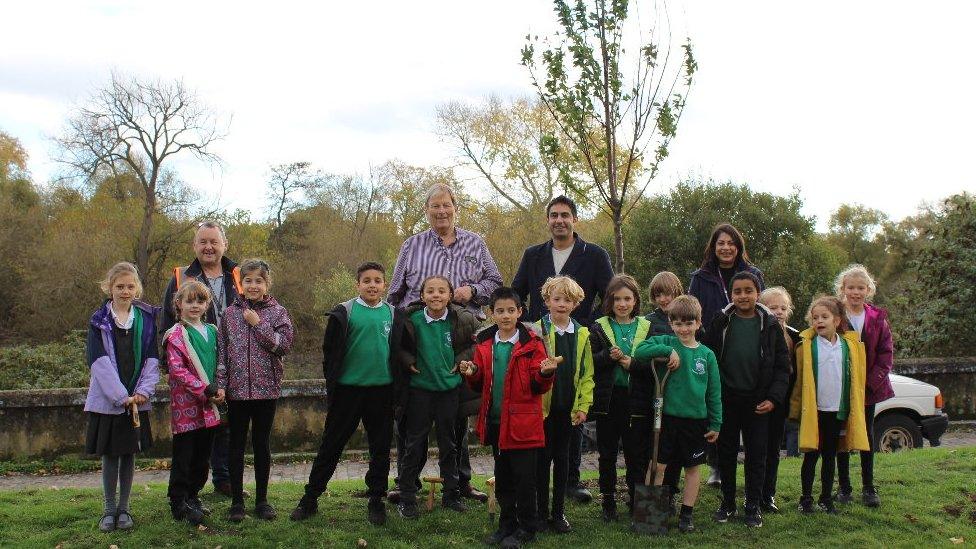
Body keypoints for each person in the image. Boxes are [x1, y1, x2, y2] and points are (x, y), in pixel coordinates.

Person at [387, 183, 502, 505]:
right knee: (411, 415)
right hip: (419, 334)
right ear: (427, 211)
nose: (441, 211)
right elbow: (395, 293)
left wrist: (472, 292)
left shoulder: (475, 243)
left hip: (461, 334)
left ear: (456, 208)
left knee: (456, 416)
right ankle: (405, 482)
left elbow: (495, 282)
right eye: (435, 206)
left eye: (446, 206)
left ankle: (460, 483)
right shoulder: (412, 245)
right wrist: (400, 337)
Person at [512, 195, 614, 504]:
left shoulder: (594, 254)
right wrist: (526, 325)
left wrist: (587, 324)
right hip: (540, 340)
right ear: (547, 220)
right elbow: (518, 292)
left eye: (565, 215)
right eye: (554, 215)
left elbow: (609, 295)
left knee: (572, 408)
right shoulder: (533, 255)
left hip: (577, 338)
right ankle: (538, 481)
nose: (559, 220)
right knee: (544, 408)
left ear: (575, 219)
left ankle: (571, 480)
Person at [290, 262, 407, 526]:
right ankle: (310, 499)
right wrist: (333, 387)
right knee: (331, 446)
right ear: (358, 284)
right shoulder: (344, 312)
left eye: (378, 280)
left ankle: (376, 500)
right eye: (367, 280)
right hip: (348, 392)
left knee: (379, 450)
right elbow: (329, 353)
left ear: (384, 285)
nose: (372, 285)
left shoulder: (393, 314)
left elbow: (401, 352)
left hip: (381, 391)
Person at [458, 287, 556, 548]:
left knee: (526, 481)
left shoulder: (533, 344)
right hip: (495, 423)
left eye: (511, 311)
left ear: (520, 313)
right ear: (491, 313)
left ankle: (528, 527)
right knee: (503, 480)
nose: (505, 316)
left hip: (524, 426)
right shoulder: (485, 344)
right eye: (500, 311)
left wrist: (546, 373)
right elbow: (480, 385)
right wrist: (471, 372)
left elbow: (538, 385)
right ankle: (506, 525)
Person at [161, 221, 242, 497]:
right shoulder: (181, 276)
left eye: (214, 241)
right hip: (193, 367)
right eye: (203, 242)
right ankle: (189, 489)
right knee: (197, 430)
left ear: (224, 245)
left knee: (227, 425)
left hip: (232, 362)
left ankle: (225, 479)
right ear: (195, 246)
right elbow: (166, 323)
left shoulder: (241, 276)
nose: (209, 247)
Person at [703, 272, 789, 528]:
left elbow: (782, 368)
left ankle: (753, 505)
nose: (743, 296)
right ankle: (727, 502)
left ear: (757, 293)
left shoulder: (770, 324)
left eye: (748, 291)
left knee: (757, 456)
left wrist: (773, 398)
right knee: (726, 454)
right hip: (727, 400)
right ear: (731, 294)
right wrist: (712, 398)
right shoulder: (720, 321)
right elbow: (708, 358)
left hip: (759, 403)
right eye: (738, 291)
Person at [633, 295, 722, 533]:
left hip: (696, 422)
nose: (684, 328)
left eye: (689, 323)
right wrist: (666, 350)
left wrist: (716, 422)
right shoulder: (666, 341)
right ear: (671, 324)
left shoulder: (707, 355)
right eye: (679, 324)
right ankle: (651, 517)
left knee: (692, 469)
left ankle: (686, 514)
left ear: (698, 323)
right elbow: (640, 351)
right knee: (658, 465)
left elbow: (714, 392)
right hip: (667, 419)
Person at [396, 276, 480, 518]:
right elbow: (396, 346)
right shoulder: (410, 319)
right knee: (413, 445)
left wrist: (459, 360)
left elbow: (478, 343)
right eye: (430, 291)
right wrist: (407, 360)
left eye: (441, 291)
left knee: (450, 444)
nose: (436, 295)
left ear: (450, 295)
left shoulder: (461, 319)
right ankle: (407, 498)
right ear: (422, 296)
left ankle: (451, 494)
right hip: (419, 391)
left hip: (449, 392)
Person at [84, 262, 160, 533]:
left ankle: (125, 508)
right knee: (109, 456)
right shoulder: (98, 321)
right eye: (119, 286)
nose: (125, 291)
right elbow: (98, 361)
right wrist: (120, 396)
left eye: (130, 286)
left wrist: (142, 392)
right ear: (109, 288)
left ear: (137, 288)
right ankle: (108, 509)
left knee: (128, 454)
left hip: (137, 401)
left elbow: (152, 358)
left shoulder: (146, 319)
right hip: (110, 401)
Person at [217, 259, 294, 522]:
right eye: (248, 280)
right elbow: (222, 353)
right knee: (235, 446)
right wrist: (221, 384)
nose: (253, 285)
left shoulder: (278, 312)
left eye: (258, 281)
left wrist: (257, 323)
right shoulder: (228, 314)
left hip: (266, 391)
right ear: (241, 283)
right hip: (236, 392)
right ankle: (237, 502)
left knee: (261, 445)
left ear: (266, 283)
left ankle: (262, 501)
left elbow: (283, 346)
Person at [689, 223, 765, 487]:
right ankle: (717, 466)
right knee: (714, 406)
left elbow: (763, 310)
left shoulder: (752, 273)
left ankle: (750, 473)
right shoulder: (701, 276)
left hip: (744, 345)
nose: (726, 247)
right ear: (713, 247)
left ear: (738, 246)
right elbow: (693, 309)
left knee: (740, 409)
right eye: (721, 243)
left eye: (731, 243)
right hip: (711, 346)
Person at [790, 295, 869, 514]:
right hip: (814, 411)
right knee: (810, 454)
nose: (819, 321)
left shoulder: (849, 346)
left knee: (830, 455)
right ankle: (805, 499)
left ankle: (826, 498)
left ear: (837, 320)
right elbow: (798, 382)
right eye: (815, 318)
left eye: (824, 316)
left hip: (837, 410)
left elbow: (856, 378)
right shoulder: (806, 346)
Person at [588, 274, 653, 521]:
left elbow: (654, 365)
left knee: (636, 453)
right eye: (618, 299)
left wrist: (633, 364)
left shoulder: (647, 327)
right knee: (607, 454)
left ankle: (637, 501)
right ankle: (608, 501)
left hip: (637, 400)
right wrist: (608, 356)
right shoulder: (599, 327)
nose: (623, 304)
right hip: (609, 401)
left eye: (628, 298)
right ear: (610, 301)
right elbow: (590, 362)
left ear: (635, 300)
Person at [535, 276, 594, 533]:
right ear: (547, 301)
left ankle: (558, 513)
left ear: (575, 303)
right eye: (556, 299)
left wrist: (583, 406)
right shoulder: (536, 331)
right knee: (541, 462)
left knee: (563, 462)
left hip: (568, 413)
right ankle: (539, 513)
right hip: (542, 413)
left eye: (567, 300)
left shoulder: (582, 333)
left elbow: (586, 374)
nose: (561, 304)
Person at [164, 280, 225, 525]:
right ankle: (178, 500)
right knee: (184, 455)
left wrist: (220, 387)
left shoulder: (212, 331)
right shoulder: (176, 335)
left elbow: (222, 361)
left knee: (202, 456)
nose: (195, 306)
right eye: (189, 301)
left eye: (200, 301)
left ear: (207, 304)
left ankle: (193, 496)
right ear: (178, 304)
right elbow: (177, 370)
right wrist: (205, 389)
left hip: (208, 406)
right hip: (186, 407)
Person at [834, 264, 893, 508]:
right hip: (840, 387)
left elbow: (885, 354)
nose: (855, 292)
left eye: (861, 288)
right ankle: (844, 486)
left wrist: (870, 383)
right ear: (843, 289)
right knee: (842, 435)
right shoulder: (835, 315)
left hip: (868, 390)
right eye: (851, 287)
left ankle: (868, 487)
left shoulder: (878, 319)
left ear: (868, 290)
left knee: (866, 434)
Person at [758, 287, 801, 513]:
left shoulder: (796, 337)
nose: (778, 312)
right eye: (773, 307)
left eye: (783, 308)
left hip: (782, 402)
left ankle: (768, 494)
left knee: (774, 449)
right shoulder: (757, 332)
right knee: (758, 449)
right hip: (759, 399)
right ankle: (753, 493)